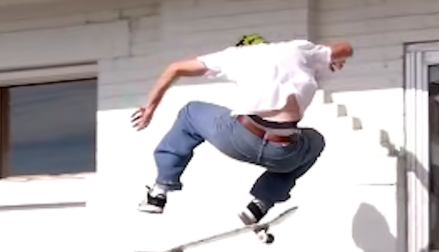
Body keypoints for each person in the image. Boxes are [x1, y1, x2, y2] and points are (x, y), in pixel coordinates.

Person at [131, 33, 354, 226]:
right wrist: (336, 57)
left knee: (190, 112)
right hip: (284, 152)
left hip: (239, 139)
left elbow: (175, 68)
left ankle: (160, 190)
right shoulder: (299, 50)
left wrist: (150, 108)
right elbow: (346, 48)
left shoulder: (233, 56)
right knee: (316, 141)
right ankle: (261, 202)